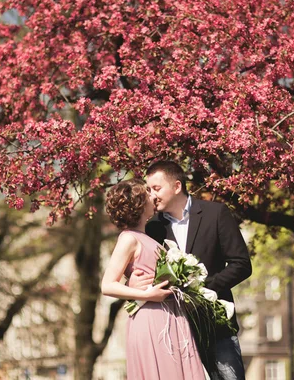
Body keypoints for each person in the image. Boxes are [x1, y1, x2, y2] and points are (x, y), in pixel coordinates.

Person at [131, 161, 252, 380]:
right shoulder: (151, 228)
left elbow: (241, 263)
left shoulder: (216, 213)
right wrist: (133, 282)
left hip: (215, 326)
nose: (151, 195)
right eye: (148, 190)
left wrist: (202, 290)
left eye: (156, 188)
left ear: (177, 186)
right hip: (171, 328)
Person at [101, 179, 206, 380]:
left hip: (169, 315)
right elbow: (107, 285)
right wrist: (146, 294)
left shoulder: (147, 237)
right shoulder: (128, 238)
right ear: (139, 204)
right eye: (148, 192)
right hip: (151, 317)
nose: (153, 196)